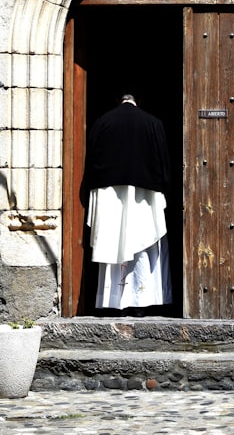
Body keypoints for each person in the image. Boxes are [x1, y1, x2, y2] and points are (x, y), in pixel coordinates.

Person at [84, 93, 172, 312]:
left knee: (114, 242)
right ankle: (142, 302)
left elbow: (92, 161)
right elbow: (164, 163)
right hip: (146, 196)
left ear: (116, 99)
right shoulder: (153, 123)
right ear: (140, 99)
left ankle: (112, 301)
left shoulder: (102, 122)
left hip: (109, 194)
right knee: (144, 244)